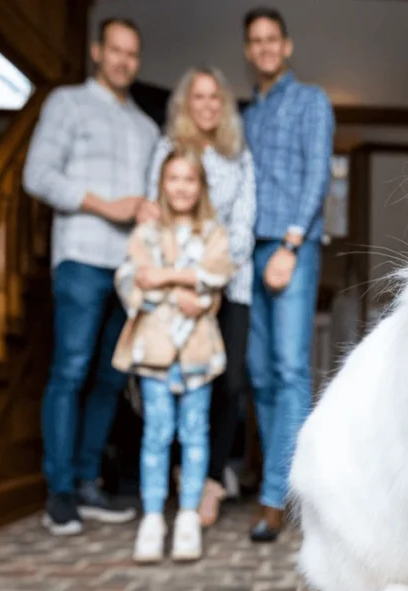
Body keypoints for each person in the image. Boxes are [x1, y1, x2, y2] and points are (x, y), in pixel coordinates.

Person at [22, 17, 159, 536]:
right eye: (116, 51)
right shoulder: (67, 104)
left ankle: (86, 482)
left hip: (129, 270)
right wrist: (108, 205)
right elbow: (37, 175)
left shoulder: (146, 128)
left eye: (133, 54)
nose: (123, 61)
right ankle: (58, 492)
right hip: (80, 259)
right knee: (70, 371)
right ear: (98, 52)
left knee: (109, 378)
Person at [138, 66, 256, 529]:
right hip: (175, 286)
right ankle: (175, 476)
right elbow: (157, 213)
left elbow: (244, 224)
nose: (207, 105)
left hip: (232, 282)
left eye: (215, 98)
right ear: (185, 104)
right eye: (198, 97)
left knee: (227, 383)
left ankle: (208, 479)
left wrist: (213, 281)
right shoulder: (169, 150)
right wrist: (184, 281)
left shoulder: (239, 155)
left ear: (224, 106)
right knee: (175, 382)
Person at [112, 145, 236, 563]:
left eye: (190, 179)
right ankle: (152, 517)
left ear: (200, 187)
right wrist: (185, 288)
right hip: (155, 346)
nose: (181, 187)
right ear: (162, 185)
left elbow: (217, 274)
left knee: (195, 432)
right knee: (157, 433)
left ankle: (186, 515)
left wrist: (176, 282)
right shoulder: (146, 232)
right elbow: (132, 276)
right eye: (174, 179)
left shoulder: (214, 232)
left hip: (198, 350)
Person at [241, 7, 335, 542]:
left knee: (290, 370)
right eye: (255, 41)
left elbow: (318, 171)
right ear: (249, 50)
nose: (265, 48)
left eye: (272, 39)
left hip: (289, 247)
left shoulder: (311, 101)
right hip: (245, 253)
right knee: (257, 372)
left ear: (287, 46)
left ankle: (277, 497)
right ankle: (281, 478)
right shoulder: (247, 116)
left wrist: (292, 243)